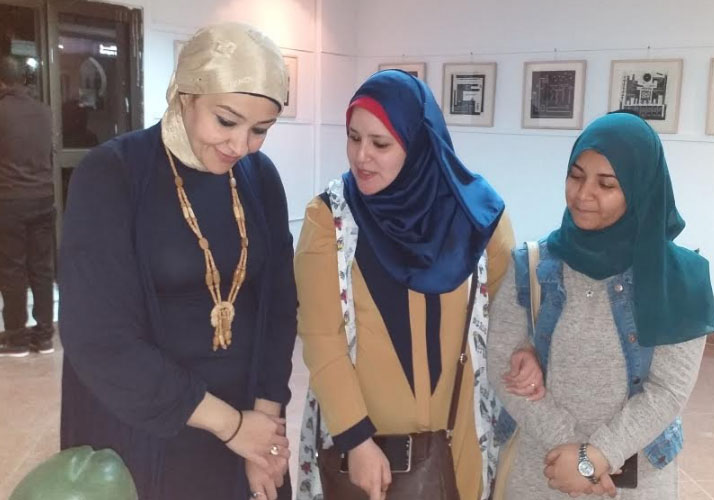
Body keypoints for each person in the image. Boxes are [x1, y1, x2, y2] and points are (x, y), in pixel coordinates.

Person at [58, 23, 297, 500]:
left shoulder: (259, 177)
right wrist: (231, 427)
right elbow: (99, 339)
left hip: (246, 424)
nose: (240, 146)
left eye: (260, 130)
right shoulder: (114, 173)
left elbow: (278, 307)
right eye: (226, 121)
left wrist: (263, 433)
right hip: (146, 426)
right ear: (185, 95)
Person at [294, 70, 537, 500]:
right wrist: (356, 438)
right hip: (367, 448)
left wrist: (526, 351)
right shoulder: (330, 220)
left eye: (380, 143)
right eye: (353, 137)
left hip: (460, 436)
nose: (361, 156)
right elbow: (321, 339)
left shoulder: (478, 216)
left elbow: (506, 313)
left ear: (419, 142)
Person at [488, 112, 714, 499]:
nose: (583, 195)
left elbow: (669, 390)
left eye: (606, 184)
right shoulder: (531, 265)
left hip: (635, 477)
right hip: (544, 469)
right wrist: (573, 451)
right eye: (576, 176)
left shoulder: (680, 279)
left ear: (640, 188)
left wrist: (597, 456)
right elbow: (501, 363)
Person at [0, 55, 55, 357]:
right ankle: (44, 337)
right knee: (42, 269)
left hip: (10, 201)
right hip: (44, 198)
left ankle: (17, 339)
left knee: (13, 270)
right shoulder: (43, 111)